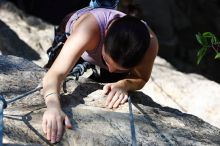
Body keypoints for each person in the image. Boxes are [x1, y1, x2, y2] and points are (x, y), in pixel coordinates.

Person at [42, 6, 158, 144]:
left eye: (119, 68)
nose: (111, 69)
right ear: (106, 33)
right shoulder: (89, 28)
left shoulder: (149, 45)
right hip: (77, 33)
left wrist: (124, 84)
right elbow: (54, 74)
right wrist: (53, 106)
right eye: (108, 62)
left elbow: (141, 78)